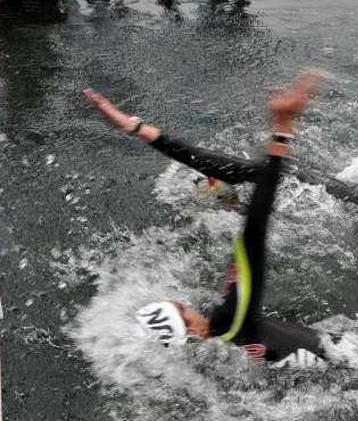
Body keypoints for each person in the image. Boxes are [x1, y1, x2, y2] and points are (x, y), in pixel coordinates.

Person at [82, 70, 330, 367]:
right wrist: (282, 127)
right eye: (183, 309)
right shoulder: (231, 324)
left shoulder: (216, 359)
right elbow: (254, 232)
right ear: (192, 330)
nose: (187, 303)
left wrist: (137, 128)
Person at [84, 86, 358, 208]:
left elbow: (185, 151)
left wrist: (132, 125)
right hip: (352, 190)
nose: (209, 177)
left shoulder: (249, 175)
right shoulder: (265, 175)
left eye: (209, 179)